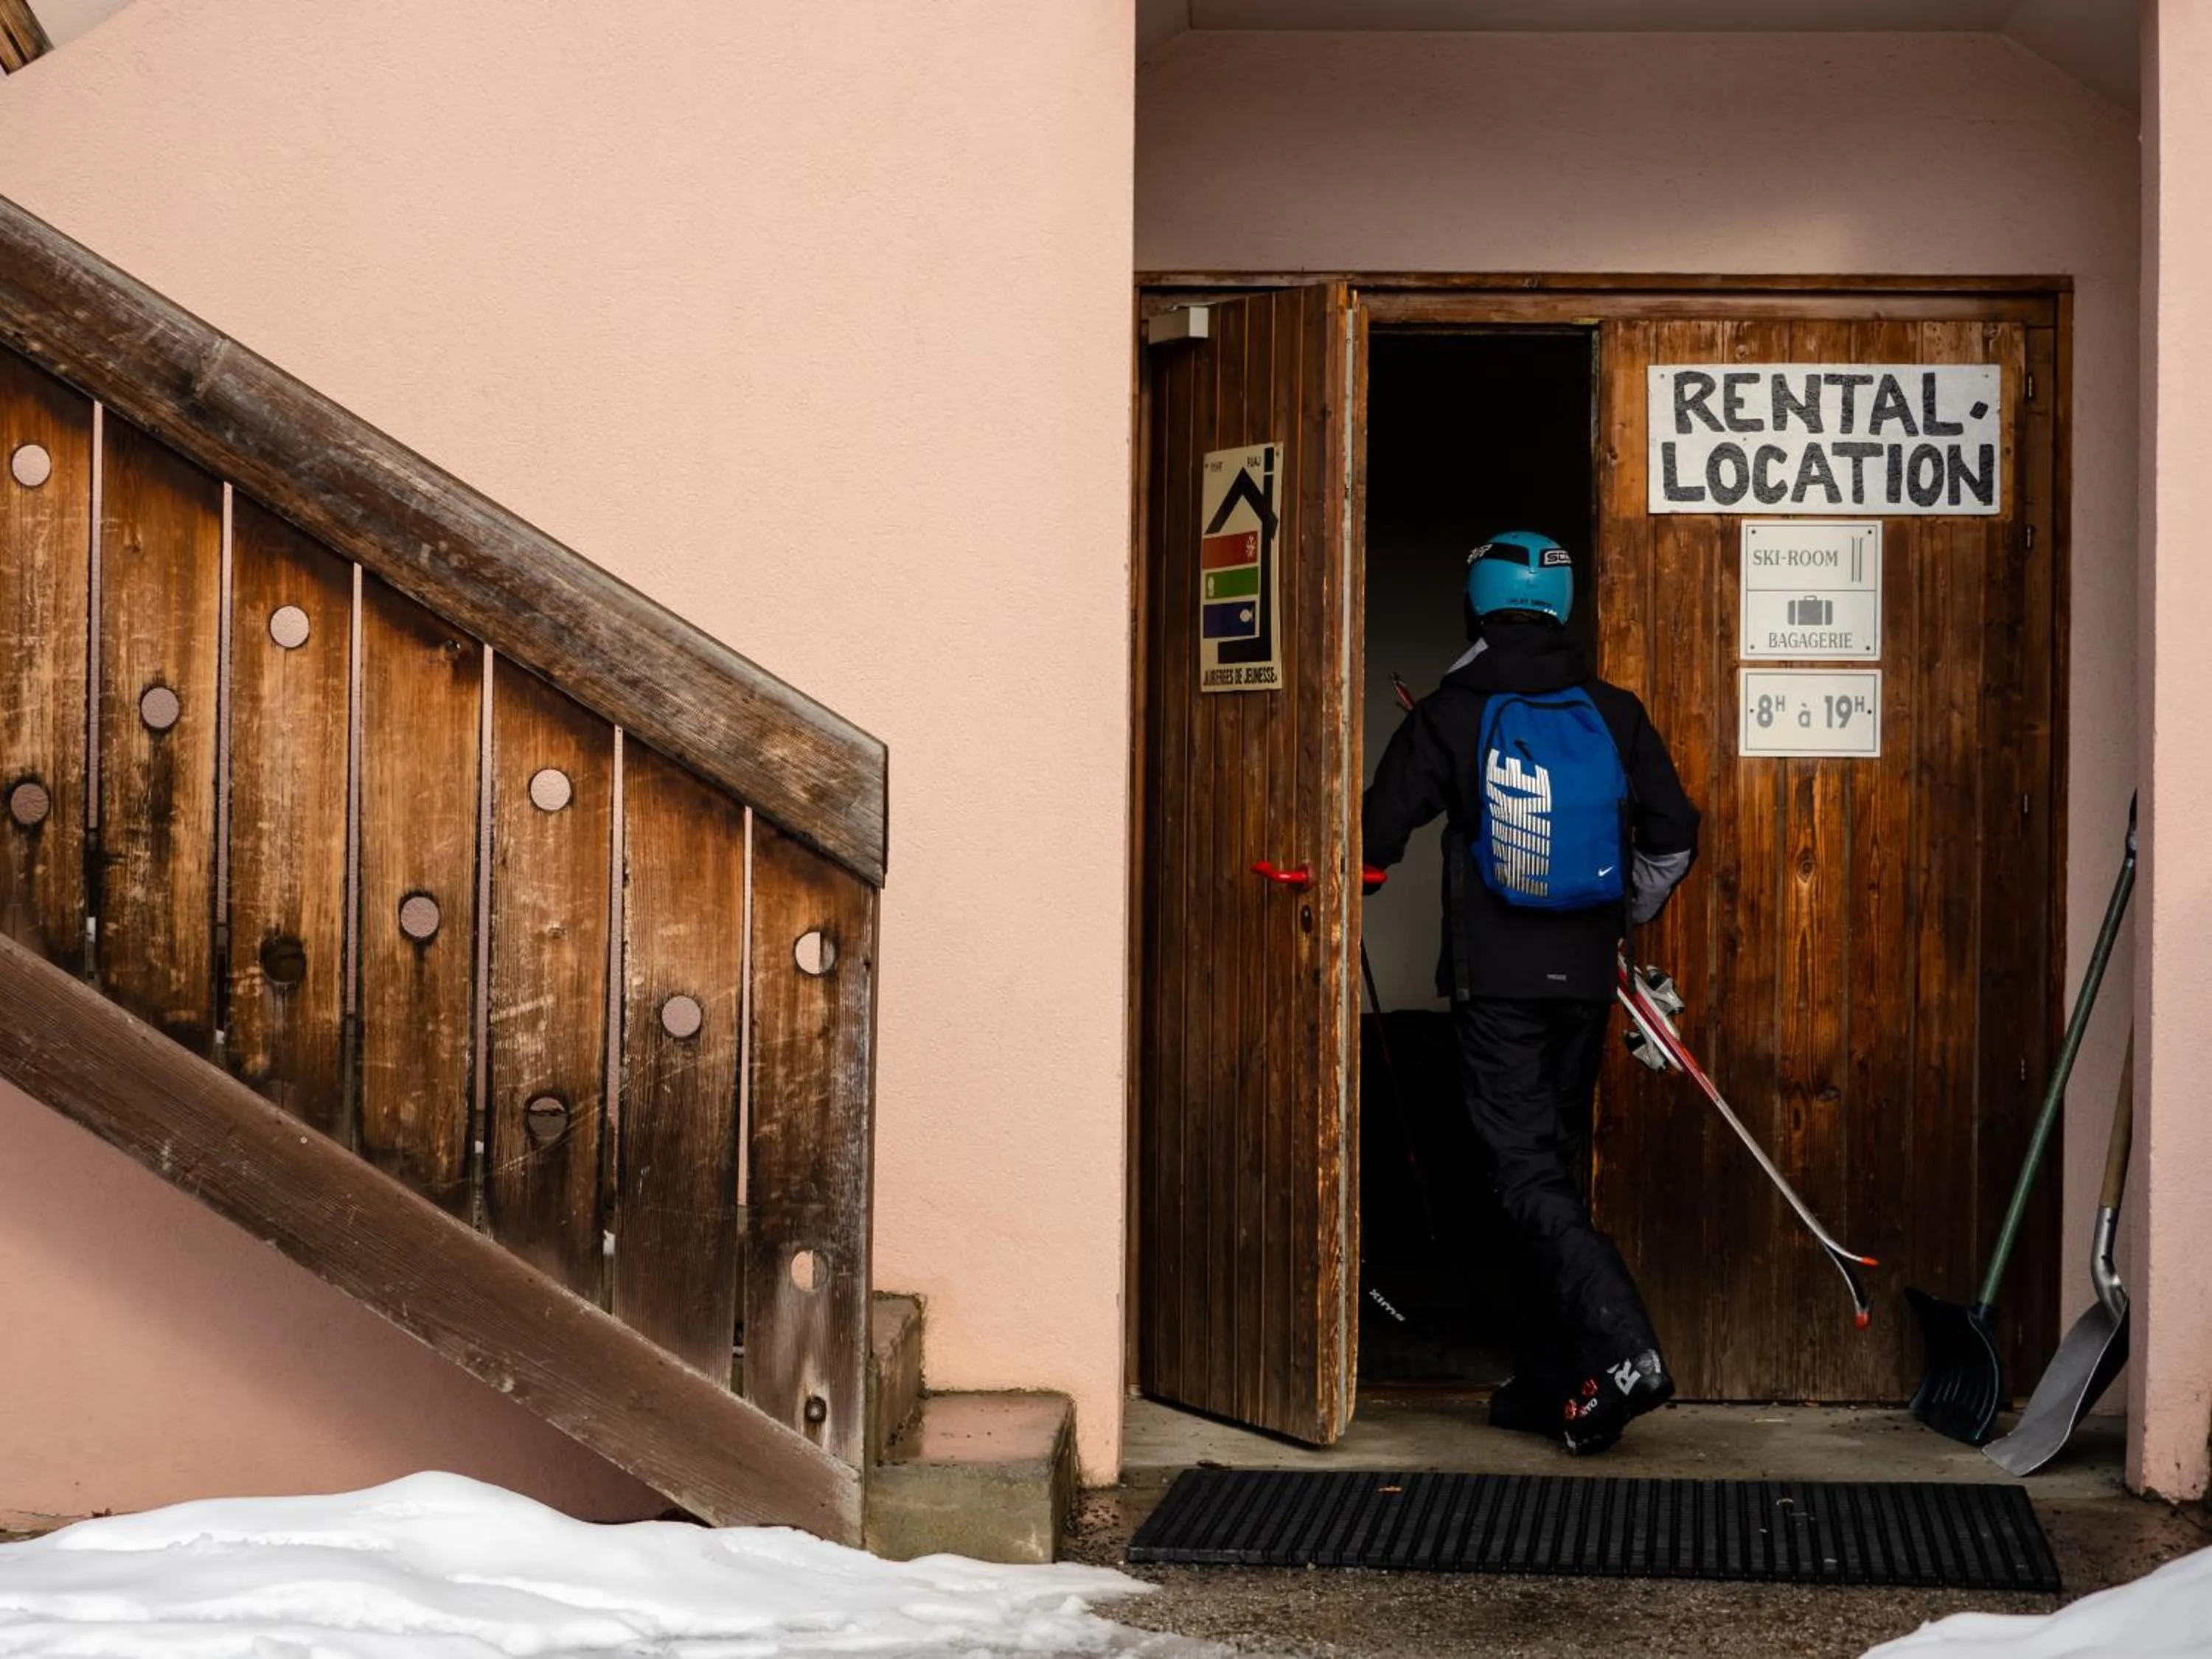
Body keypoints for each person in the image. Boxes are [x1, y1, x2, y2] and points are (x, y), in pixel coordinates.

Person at [1361, 529, 1700, 1455]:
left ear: (1476, 605)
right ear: (1561, 608)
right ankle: (1554, 1382)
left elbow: (1374, 835)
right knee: (1548, 1172)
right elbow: (1673, 835)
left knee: (1522, 1176)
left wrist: (1361, 872)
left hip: (1496, 986)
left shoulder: (1453, 711)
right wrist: (1612, 915)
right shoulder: (1613, 711)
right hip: (1586, 984)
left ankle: (1626, 1351)